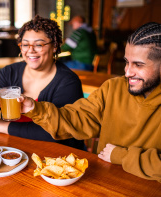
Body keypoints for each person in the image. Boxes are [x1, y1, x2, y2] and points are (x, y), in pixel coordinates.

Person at [18, 22, 161, 182]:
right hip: (103, 181)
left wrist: (121, 156)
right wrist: (35, 108)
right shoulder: (114, 87)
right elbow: (78, 118)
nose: (127, 72)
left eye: (138, 65)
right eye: (127, 62)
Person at [0, 15, 85, 150]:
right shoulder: (9, 72)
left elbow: (57, 132)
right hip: (15, 149)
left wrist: (5, 127)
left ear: (55, 46)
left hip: (59, 156)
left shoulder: (68, 82)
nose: (30, 50)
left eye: (38, 44)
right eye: (25, 44)